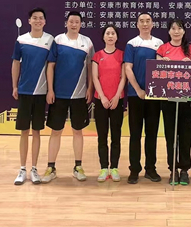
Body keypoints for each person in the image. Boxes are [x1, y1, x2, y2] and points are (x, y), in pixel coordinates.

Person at [41, 11, 94, 184]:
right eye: (71, 21)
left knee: (78, 131)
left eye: (77, 22)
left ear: (81, 24)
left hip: (79, 94)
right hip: (59, 94)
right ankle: (51, 168)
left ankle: (78, 167)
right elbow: (50, 66)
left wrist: (90, 88)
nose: (74, 24)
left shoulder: (87, 42)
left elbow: (91, 68)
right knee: (56, 131)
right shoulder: (58, 40)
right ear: (67, 23)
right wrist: (50, 90)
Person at [11, 8, 54, 185]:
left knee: (36, 131)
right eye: (34, 18)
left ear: (45, 21)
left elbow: (51, 66)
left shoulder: (50, 40)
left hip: (41, 92)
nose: (38, 21)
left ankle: (34, 169)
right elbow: (15, 63)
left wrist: (50, 89)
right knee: (24, 131)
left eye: (41, 18)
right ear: (29, 21)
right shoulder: (21, 40)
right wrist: (15, 86)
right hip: (25, 91)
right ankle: (22, 169)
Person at [156, 18, 191, 186]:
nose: (176, 31)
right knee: (171, 135)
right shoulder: (162, 49)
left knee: (186, 135)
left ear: (184, 31)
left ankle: (184, 170)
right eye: (173, 28)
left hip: (187, 100)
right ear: (169, 31)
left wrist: (190, 65)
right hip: (168, 100)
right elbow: (157, 74)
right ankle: (173, 169)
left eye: (179, 28)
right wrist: (162, 64)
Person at [124, 12, 163, 184]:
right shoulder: (132, 44)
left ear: (152, 24)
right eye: (142, 21)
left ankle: (150, 168)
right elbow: (128, 68)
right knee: (135, 134)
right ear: (137, 24)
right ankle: (134, 169)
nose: (145, 24)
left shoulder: (159, 44)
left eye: (148, 21)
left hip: (154, 96)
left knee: (152, 134)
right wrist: (138, 89)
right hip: (135, 95)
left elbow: (162, 67)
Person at [92, 24, 126, 182]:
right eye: (108, 33)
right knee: (102, 136)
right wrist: (103, 97)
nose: (110, 36)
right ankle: (104, 168)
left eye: (113, 33)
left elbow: (123, 78)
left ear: (117, 37)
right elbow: (95, 78)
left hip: (117, 101)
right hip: (101, 101)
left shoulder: (122, 55)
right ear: (103, 37)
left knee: (116, 136)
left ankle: (114, 168)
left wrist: (117, 96)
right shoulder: (97, 56)